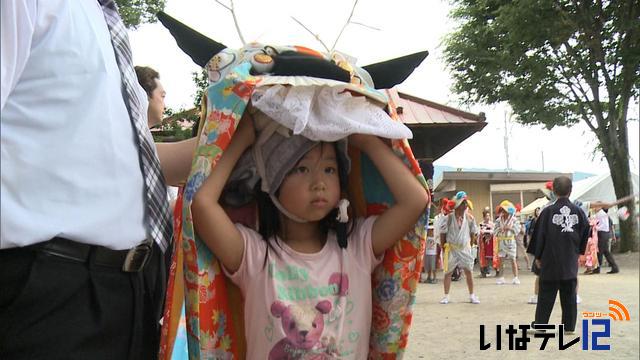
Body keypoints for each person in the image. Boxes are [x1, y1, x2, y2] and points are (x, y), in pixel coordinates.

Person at [0, 2, 195, 359]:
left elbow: (140, 162)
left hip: (129, 298)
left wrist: (244, 127)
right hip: (48, 294)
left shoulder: (101, 17)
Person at [191, 111, 428, 358]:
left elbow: (415, 200)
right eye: (302, 169)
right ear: (272, 183)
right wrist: (241, 139)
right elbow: (202, 205)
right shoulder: (254, 255)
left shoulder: (357, 247)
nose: (319, 183)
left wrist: (367, 141)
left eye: (329, 169)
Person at [532, 176, 589, 334]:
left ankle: (541, 325)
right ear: (570, 191)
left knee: (546, 294)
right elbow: (586, 231)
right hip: (570, 258)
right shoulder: (578, 212)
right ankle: (569, 327)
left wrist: (538, 256)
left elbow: (540, 235)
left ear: (554, 191)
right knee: (569, 293)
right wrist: (579, 251)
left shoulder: (548, 212)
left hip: (550, 259)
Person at [438, 191, 480, 304]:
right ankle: (446, 295)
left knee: (469, 271)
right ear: (457, 205)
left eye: (466, 203)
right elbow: (442, 233)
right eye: (462, 203)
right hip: (451, 248)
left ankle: (472, 295)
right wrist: (443, 248)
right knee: (448, 272)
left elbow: (473, 233)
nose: (465, 206)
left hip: (464, 248)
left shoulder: (470, 218)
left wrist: (470, 246)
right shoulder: (449, 218)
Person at [494, 200, 522, 285]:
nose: (503, 212)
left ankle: (516, 277)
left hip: (510, 241)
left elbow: (518, 229)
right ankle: (501, 277)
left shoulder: (514, 219)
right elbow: (495, 230)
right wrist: (500, 229)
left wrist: (510, 228)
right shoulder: (499, 220)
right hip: (502, 240)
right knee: (501, 260)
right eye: (502, 210)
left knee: (513, 259)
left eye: (505, 210)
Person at [590, 208, 620, 274]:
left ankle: (597, 268)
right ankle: (614, 267)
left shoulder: (601, 214)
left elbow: (603, 226)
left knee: (599, 252)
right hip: (604, 234)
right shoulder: (601, 214)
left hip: (602, 233)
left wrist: (594, 227)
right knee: (606, 252)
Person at [478, 207, 495, 277]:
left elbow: (494, 231)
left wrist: (488, 231)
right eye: (486, 216)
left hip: (491, 243)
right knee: (483, 257)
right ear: (484, 217)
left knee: (491, 257)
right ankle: (484, 271)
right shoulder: (481, 224)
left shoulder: (492, 224)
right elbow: (479, 232)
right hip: (483, 243)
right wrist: (484, 232)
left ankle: (493, 269)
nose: (488, 217)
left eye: (489, 216)